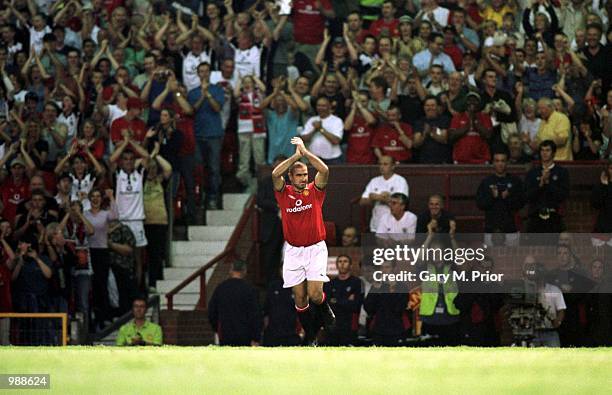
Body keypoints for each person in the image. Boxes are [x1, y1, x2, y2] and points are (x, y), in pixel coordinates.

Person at [272, 136, 336, 345]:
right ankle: (310, 335)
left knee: (315, 295)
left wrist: (306, 153)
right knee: (300, 298)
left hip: (316, 248)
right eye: (298, 175)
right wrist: (295, 156)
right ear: (290, 177)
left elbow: (325, 170)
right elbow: (274, 173)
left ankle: (325, 310)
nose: (302, 178)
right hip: (293, 250)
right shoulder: (284, 193)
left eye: (305, 174)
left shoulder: (314, 192)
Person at [187, 62, 225, 209]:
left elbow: (217, 108)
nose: (204, 74)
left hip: (214, 134)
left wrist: (208, 94)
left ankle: (213, 198)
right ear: (198, 74)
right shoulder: (192, 93)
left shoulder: (217, 90)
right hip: (198, 135)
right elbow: (191, 110)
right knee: (199, 168)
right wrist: (202, 96)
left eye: (206, 71)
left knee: (214, 168)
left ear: (209, 73)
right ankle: (200, 197)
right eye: (201, 71)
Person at [476, 150, 525, 246]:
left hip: (511, 230)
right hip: (491, 230)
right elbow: (480, 204)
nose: (500, 164)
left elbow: (521, 203)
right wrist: (492, 197)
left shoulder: (515, 181)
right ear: (493, 162)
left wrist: (507, 197)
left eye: (502, 161)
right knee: (490, 259)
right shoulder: (486, 182)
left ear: (507, 162)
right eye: (497, 161)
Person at [208, 261, 262, 346]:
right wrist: (256, 337)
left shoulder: (221, 288)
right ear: (244, 271)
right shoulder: (250, 290)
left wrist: (217, 329)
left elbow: (212, 312)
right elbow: (255, 315)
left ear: (231, 270)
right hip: (245, 334)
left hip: (226, 333)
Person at [524, 140, 570, 234]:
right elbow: (527, 196)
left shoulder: (561, 172)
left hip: (554, 217)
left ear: (553, 153)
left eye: (547, 150)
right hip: (535, 217)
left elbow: (563, 195)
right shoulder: (532, 173)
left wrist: (548, 183)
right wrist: (540, 185)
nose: (544, 153)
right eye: (542, 150)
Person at [364, 261, 411, 346]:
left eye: (387, 267)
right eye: (382, 267)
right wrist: (376, 290)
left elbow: (398, 308)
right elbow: (368, 308)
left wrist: (391, 291)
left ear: (394, 269)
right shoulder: (376, 286)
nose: (384, 270)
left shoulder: (401, 286)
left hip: (397, 329)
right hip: (379, 329)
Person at [359, 155, 409, 233]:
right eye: (380, 164)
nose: (381, 167)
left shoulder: (400, 181)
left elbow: (401, 203)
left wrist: (383, 198)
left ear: (393, 166)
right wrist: (373, 198)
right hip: (376, 225)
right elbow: (362, 201)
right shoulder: (374, 181)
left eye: (385, 164)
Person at [323, 255, 363, 346]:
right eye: (340, 262)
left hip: (350, 326)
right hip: (333, 326)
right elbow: (327, 305)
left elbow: (355, 306)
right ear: (336, 265)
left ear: (351, 265)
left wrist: (336, 301)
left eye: (345, 261)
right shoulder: (329, 284)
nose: (342, 264)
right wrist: (346, 300)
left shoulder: (357, 282)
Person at [449, 91, 493, 164]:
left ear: (479, 103)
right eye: (469, 100)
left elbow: (488, 135)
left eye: (475, 100)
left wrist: (475, 121)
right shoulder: (457, 117)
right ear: (465, 102)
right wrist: (469, 124)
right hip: (461, 160)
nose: (472, 102)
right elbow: (451, 136)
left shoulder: (485, 117)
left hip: (482, 159)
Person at [262, 269, 302, 347]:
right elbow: (266, 309)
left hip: (292, 333)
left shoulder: (298, 288)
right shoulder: (273, 286)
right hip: (274, 332)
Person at [300, 97, 344, 164]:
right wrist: (314, 130)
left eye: (323, 106)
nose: (320, 108)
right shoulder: (312, 120)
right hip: (314, 158)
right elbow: (304, 139)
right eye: (318, 105)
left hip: (333, 159)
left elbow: (336, 141)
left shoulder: (337, 121)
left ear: (329, 106)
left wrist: (321, 129)